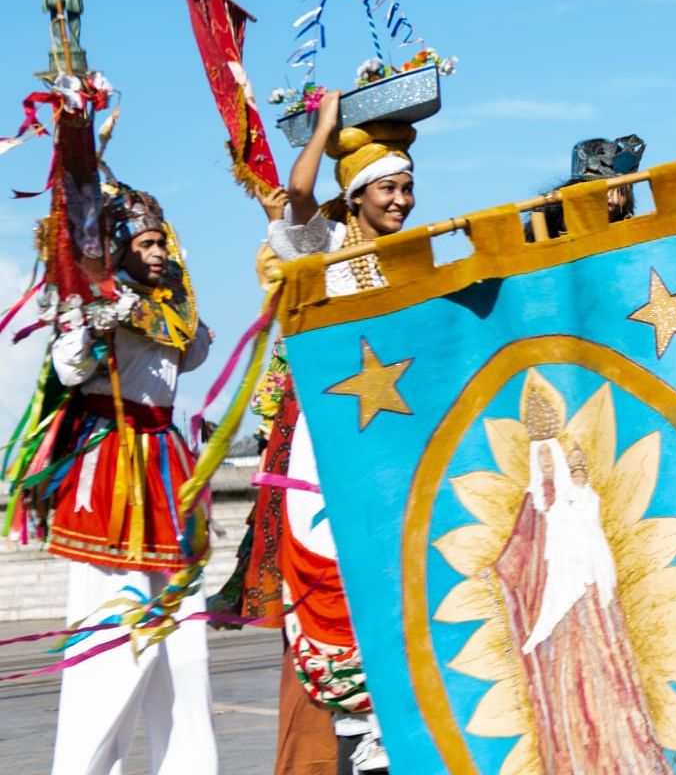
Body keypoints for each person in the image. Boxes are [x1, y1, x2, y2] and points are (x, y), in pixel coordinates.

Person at [259, 90, 413, 774]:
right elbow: (296, 198)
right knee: (336, 588)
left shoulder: (416, 262)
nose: (403, 199)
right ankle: (357, 735)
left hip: (392, 446)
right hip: (328, 451)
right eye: (389, 187)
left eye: (410, 186)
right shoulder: (322, 252)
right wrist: (325, 128)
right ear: (354, 196)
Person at [41, 183, 217, 774]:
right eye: (145, 241)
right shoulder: (100, 301)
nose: (159, 250)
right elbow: (69, 368)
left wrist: (173, 302)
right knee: (114, 632)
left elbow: (191, 355)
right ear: (119, 248)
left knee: (184, 641)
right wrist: (92, 322)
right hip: (114, 467)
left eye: (161, 240)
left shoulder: (173, 306)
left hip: (168, 468)